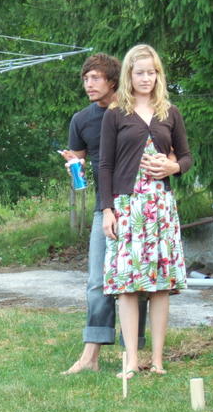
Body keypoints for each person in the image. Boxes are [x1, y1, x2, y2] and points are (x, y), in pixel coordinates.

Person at [99, 44, 192, 378]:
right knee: (127, 284)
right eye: (140, 72)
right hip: (127, 205)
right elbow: (105, 165)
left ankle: (157, 361)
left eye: (151, 72)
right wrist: (107, 210)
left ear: (158, 74)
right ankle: (130, 360)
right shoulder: (115, 114)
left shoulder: (170, 112)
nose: (146, 78)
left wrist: (173, 168)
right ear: (129, 74)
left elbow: (186, 157)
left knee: (160, 286)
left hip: (161, 206)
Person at [61, 53, 151, 375]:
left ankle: (133, 353)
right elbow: (79, 158)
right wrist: (74, 164)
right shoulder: (81, 120)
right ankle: (91, 355)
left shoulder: (134, 111)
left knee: (137, 280)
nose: (89, 84)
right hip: (105, 207)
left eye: (95, 78)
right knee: (97, 282)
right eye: (86, 79)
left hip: (138, 205)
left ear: (113, 81)